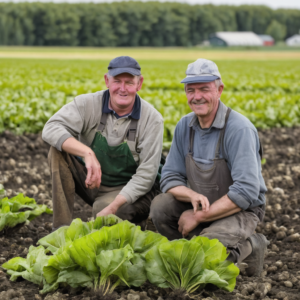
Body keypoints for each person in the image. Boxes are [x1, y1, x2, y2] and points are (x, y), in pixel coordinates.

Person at [150, 58, 269, 276]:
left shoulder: (239, 129)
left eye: (204, 89)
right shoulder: (184, 126)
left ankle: (251, 245)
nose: (196, 97)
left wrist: (199, 217)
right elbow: (169, 177)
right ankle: (193, 250)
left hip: (239, 209)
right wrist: (190, 195)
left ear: (219, 90)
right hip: (203, 204)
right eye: (190, 90)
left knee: (206, 258)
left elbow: (246, 191)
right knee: (161, 206)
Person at [42, 56, 163, 231]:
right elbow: (51, 127)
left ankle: (139, 222)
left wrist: (114, 206)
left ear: (139, 83)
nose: (122, 89)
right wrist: (87, 153)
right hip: (92, 180)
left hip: (127, 189)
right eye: (117, 81)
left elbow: (147, 175)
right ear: (107, 81)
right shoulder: (87, 104)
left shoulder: (152, 119)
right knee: (57, 151)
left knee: (104, 213)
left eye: (129, 82)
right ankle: (60, 231)